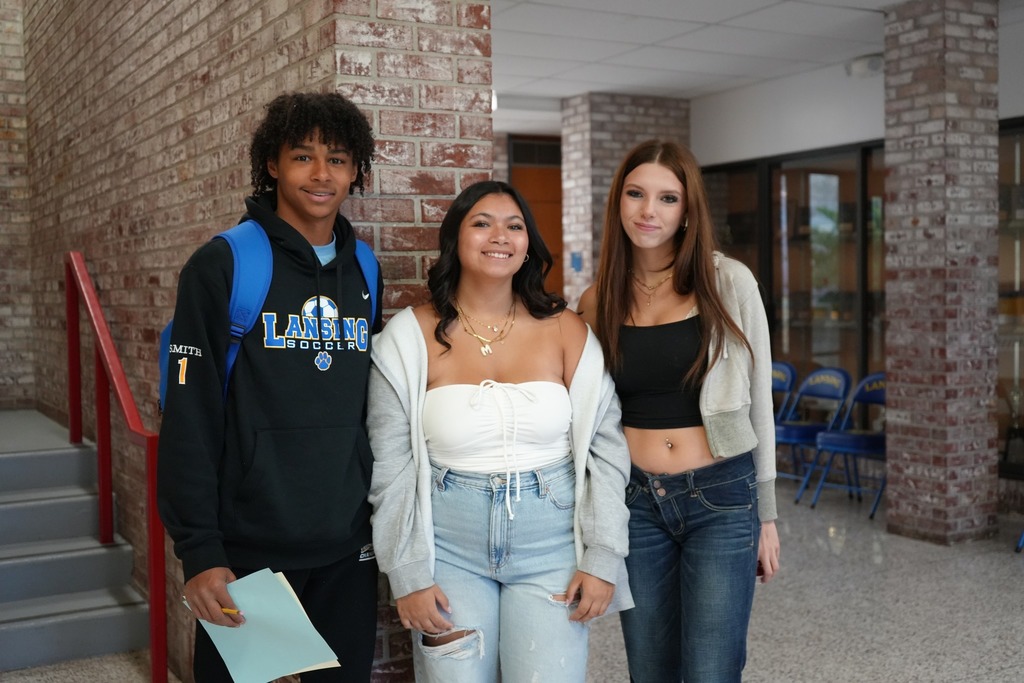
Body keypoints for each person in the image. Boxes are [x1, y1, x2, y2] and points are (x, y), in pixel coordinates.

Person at [367, 180, 633, 682]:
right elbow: (391, 467)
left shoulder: (566, 329)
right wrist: (407, 573)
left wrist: (602, 557)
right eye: (482, 223)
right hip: (447, 550)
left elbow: (607, 452)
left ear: (528, 242)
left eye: (515, 226)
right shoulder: (408, 338)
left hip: (553, 547)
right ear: (455, 239)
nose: (500, 236)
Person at [157, 91, 382, 682]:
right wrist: (200, 552)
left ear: (355, 170)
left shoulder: (365, 268)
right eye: (302, 156)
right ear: (273, 165)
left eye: (336, 158)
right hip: (250, 549)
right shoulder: (224, 264)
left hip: (347, 545)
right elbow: (189, 416)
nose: (320, 173)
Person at [577, 139, 781, 683]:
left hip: (722, 496)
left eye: (668, 198)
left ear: (688, 209)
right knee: (650, 668)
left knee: (712, 669)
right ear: (618, 202)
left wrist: (767, 514)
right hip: (636, 501)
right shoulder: (597, 301)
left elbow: (759, 400)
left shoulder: (728, 282)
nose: (650, 211)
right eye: (637, 194)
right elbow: (593, 416)